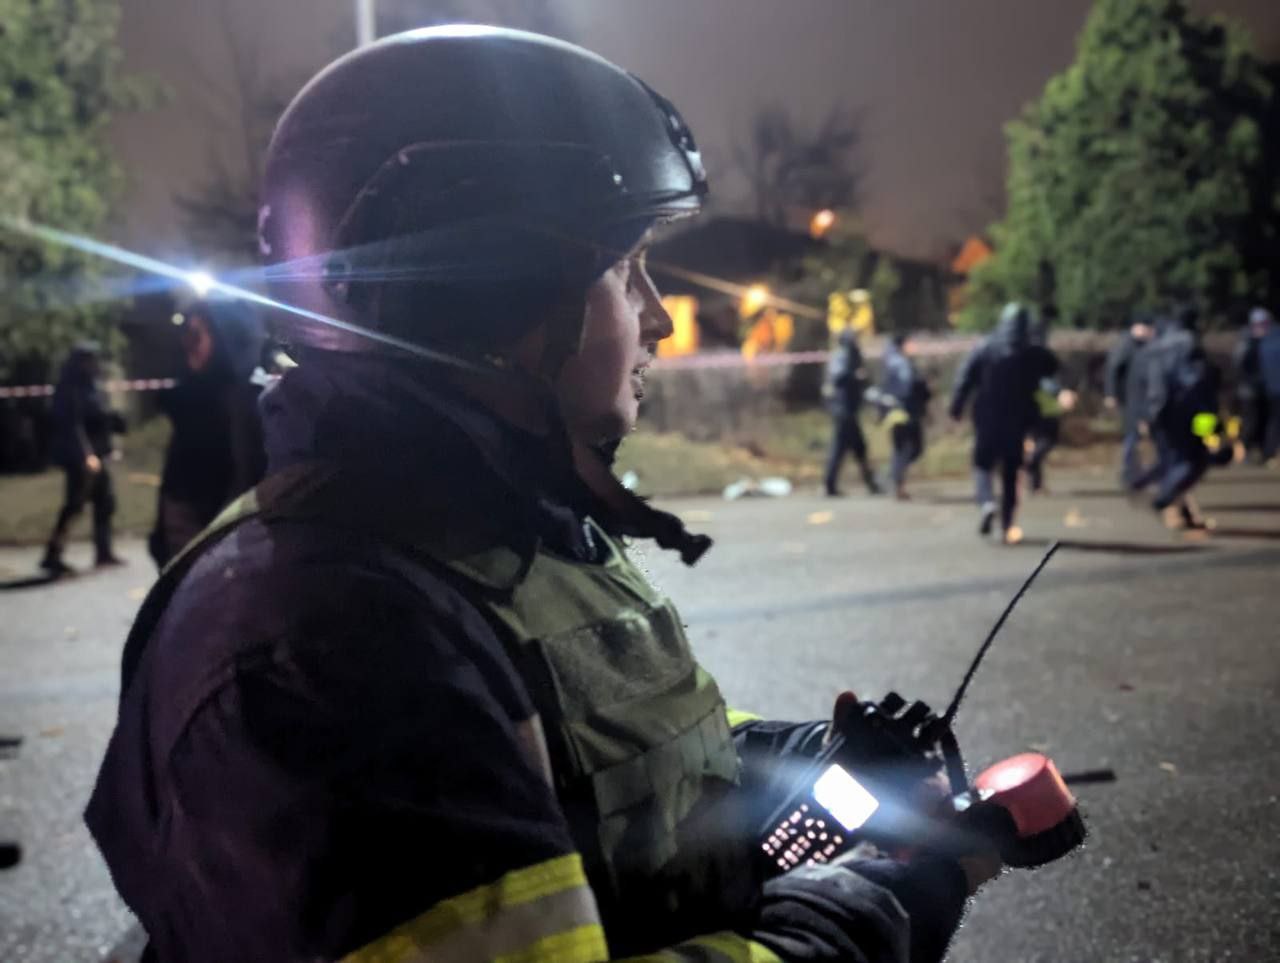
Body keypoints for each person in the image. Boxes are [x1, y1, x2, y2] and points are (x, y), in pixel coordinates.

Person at [85, 28, 1000, 963]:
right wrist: (875, 908)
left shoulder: (484, 529)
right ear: (485, 294)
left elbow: (581, 736)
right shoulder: (330, 645)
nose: (659, 316)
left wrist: (790, 759)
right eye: (624, 268)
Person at [148, 299, 267, 568]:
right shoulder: (192, 401)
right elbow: (175, 475)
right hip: (189, 549)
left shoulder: (249, 404)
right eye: (185, 334)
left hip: (224, 552)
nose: (187, 343)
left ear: (228, 338)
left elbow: (246, 479)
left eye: (196, 335)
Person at [949, 302, 1058, 544]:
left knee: (982, 465)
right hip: (1017, 421)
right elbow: (1050, 372)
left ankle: (987, 502)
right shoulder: (1031, 353)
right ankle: (1007, 525)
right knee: (1010, 473)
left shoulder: (985, 347)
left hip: (986, 417)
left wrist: (956, 407)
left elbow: (965, 377)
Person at [40, 342, 126, 575]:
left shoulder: (92, 386)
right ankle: (53, 554)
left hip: (98, 454)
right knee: (74, 505)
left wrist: (114, 424)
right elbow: (72, 425)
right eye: (89, 359)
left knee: (105, 502)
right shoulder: (69, 388)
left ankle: (103, 551)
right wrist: (85, 455)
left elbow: (99, 416)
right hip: (81, 458)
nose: (94, 364)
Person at [1143, 304, 1218, 528]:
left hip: (1160, 412)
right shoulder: (1190, 344)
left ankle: (1180, 512)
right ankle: (1164, 498)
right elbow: (1195, 383)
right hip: (1188, 412)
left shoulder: (1158, 344)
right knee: (1194, 460)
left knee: (1172, 460)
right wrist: (1209, 420)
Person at [823, 327, 881, 496]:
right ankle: (831, 484)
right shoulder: (841, 356)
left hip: (850, 409)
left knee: (858, 448)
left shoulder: (853, 357)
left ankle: (870, 483)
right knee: (842, 448)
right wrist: (854, 376)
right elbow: (838, 379)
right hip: (843, 410)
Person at [1022, 312, 1072, 495]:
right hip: (1043, 405)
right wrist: (1060, 391)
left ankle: (1035, 483)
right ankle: (1032, 473)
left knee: (1036, 442)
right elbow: (1047, 378)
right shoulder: (1039, 354)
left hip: (1032, 406)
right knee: (1046, 440)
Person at [876, 332, 931, 499]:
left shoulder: (888, 361)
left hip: (893, 412)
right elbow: (911, 386)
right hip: (906, 411)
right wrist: (925, 393)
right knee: (912, 448)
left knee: (901, 449)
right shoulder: (903, 364)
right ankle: (893, 478)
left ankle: (894, 479)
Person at [1104, 315, 1155, 489]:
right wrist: (1111, 394)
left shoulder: (1140, 346)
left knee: (1135, 436)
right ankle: (1130, 473)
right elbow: (1113, 369)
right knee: (1132, 435)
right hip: (1130, 399)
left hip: (1137, 398)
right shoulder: (1126, 345)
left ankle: (1135, 472)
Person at [1253, 307, 1280, 465]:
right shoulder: (1269, 340)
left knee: (1272, 421)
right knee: (1273, 421)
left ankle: (1269, 452)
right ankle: (1269, 452)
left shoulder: (1264, 342)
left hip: (1269, 389)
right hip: (1271, 389)